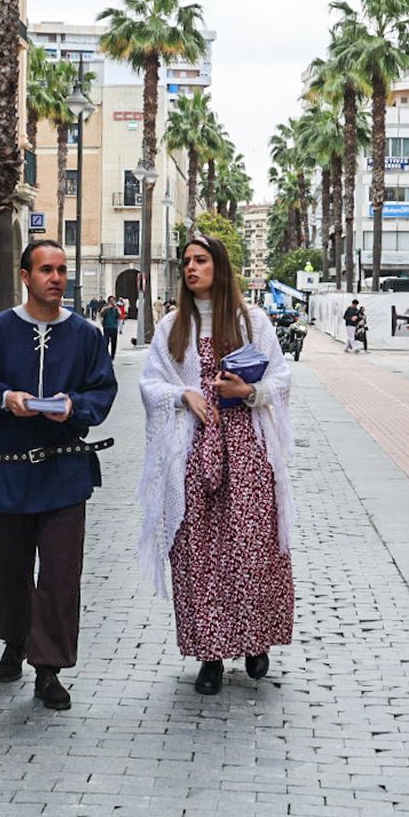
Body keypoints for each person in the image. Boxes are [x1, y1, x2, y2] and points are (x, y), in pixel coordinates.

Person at [0, 241, 118, 711]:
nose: (56, 277)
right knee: (6, 571)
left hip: (64, 472)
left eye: (62, 270)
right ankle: (15, 637)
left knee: (61, 576)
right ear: (25, 275)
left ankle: (49, 670)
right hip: (5, 475)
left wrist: (74, 407)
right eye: (46, 269)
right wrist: (5, 398)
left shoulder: (86, 336)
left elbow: (102, 392)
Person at [137, 235, 296, 694]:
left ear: (219, 267)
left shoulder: (253, 321)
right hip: (190, 454)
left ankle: (255, 641)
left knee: (251, 549)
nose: (191, 268)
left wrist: (249, 393)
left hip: (247, 451)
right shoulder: (171, 325)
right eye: (186, 260)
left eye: (201, 260)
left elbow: (281, 379)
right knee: (196, 554)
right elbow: (150, 384)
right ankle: (208, 654)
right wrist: (183, 394)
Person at [99, 295, 122, 360]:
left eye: (113, 300)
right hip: (107, 327)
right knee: (106, 342)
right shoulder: (105, 308)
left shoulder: (116, 308)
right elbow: (101, 314)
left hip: (114, 328)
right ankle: (105, 355)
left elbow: (119, 316)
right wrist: (107, 309)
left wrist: (116, 309)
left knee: (114, 343)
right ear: (108, 301)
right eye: (111, 301)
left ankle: (112, 357)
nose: (112, 302)